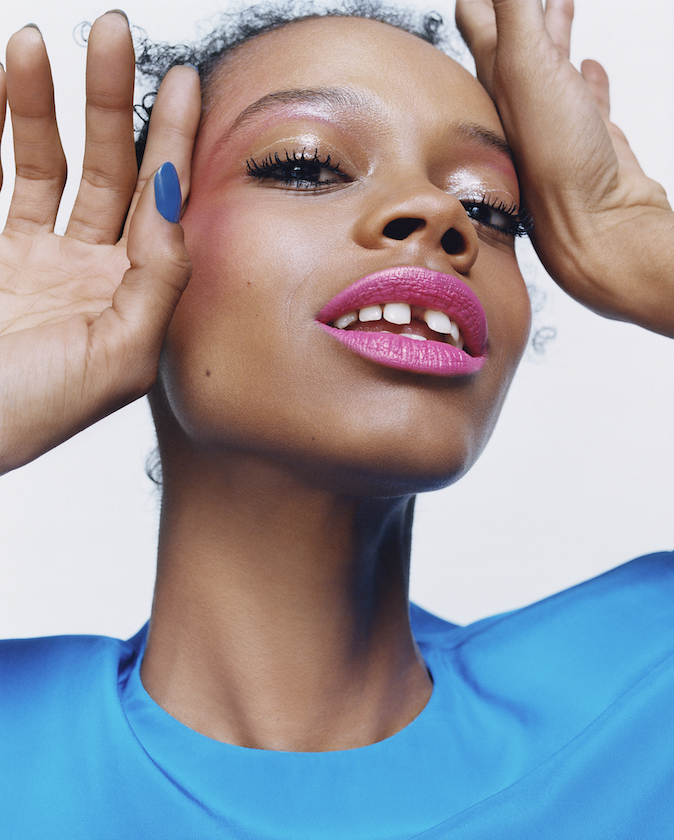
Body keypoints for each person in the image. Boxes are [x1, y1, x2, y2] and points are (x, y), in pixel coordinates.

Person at [0, 1, 672, 837]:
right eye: (307, 166)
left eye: (491, 208)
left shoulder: (644, 696)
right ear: (141, 256)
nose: (440, 217)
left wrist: (636, 242)